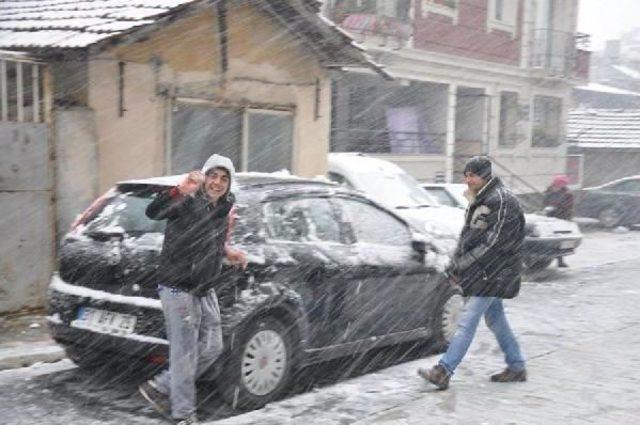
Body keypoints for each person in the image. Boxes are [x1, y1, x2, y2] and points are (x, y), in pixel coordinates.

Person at [139, 154, 247, 425]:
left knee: (212, 347)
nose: (218, 183)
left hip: (204, 286)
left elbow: (212, 241)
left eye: (224, 178)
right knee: (184, 354)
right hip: (177, 286)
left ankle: (161, 387)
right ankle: (184, 414)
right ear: (205, 177)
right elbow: (153, 211)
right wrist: (179, 190)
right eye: (213, 176)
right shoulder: (187, 200)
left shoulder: (223, 207)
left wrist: (227, 252)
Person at [418, 156, 527, 390]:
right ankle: (517, 366)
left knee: (467, 321)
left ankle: (443, 371)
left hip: (494, 271)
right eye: (466, 175)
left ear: (484, 175)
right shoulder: (483, 198)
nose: (467, 180)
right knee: (496, 320)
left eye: (472, 175)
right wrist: (456, 261)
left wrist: (464, 263)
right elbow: (470, 236)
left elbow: (494, 242)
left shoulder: (501, 200)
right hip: (487, 271)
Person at [543, 174, 574, 267]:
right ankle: (547, 259)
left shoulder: (567, 194)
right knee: (551, 239)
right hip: (550, 219)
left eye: (561, 185)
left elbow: (569, 207)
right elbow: (544, 203)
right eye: (558, 185)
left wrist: (557, 209)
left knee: (562, 241)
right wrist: (548, 209)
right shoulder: (548, 192)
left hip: (562, 219)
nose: (559, 187)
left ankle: (560, 260)